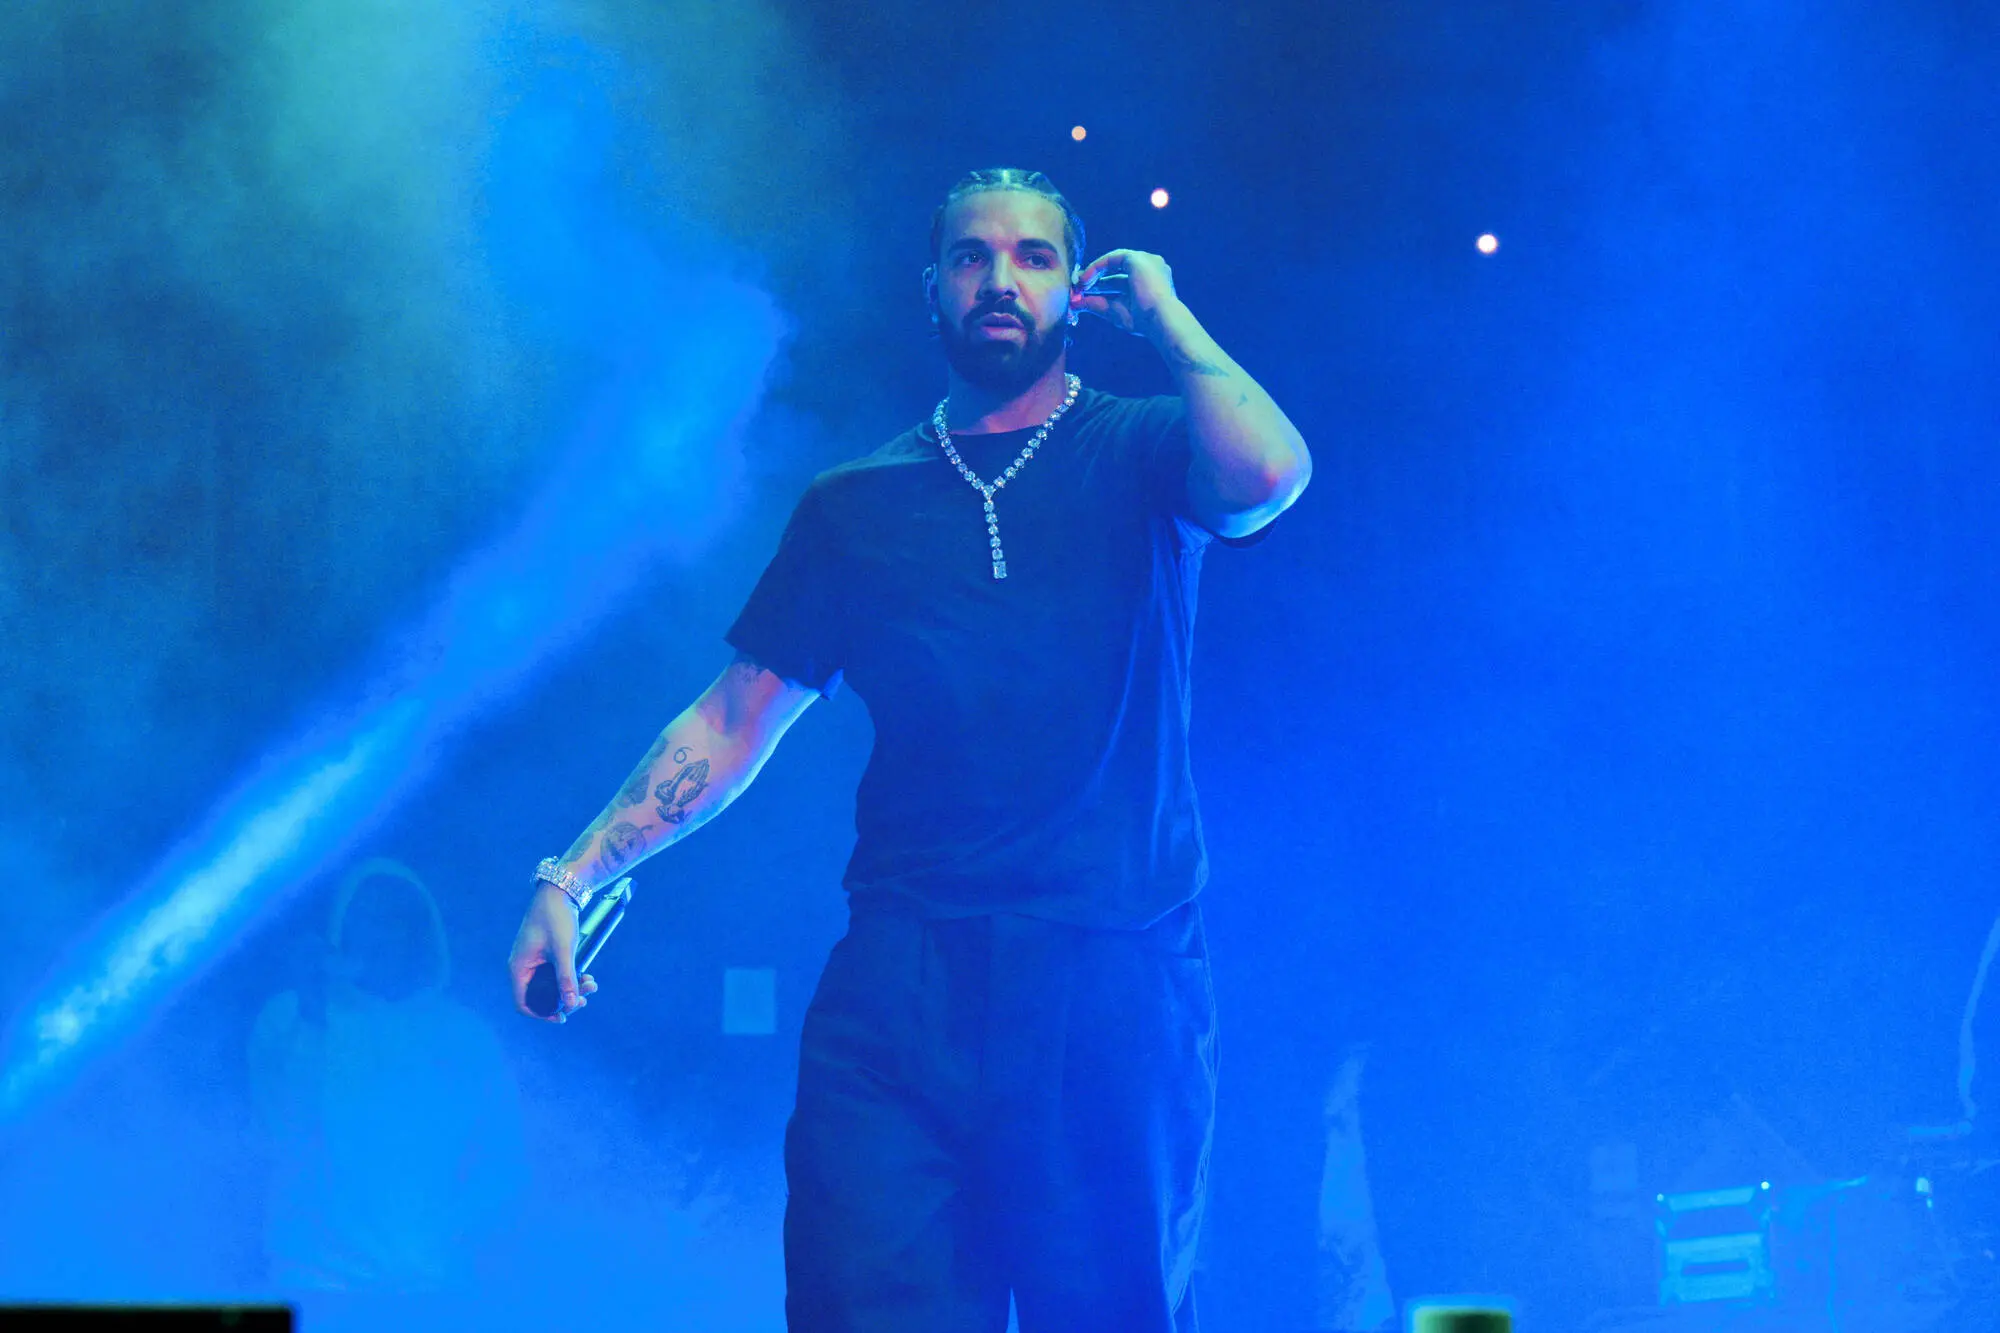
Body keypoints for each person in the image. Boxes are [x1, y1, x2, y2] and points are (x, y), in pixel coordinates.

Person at [507, 166, 1311, 1332]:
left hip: (1106, 968)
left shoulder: (1138, 450)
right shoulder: (857, 505)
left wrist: (1170, 319)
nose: (1000, 279)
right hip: (901, 987)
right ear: (930, 286)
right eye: (972, 256)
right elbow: (734, 718)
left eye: (1035, 256)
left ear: (1074, 292)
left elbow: (1269, 477)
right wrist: (571, 874)